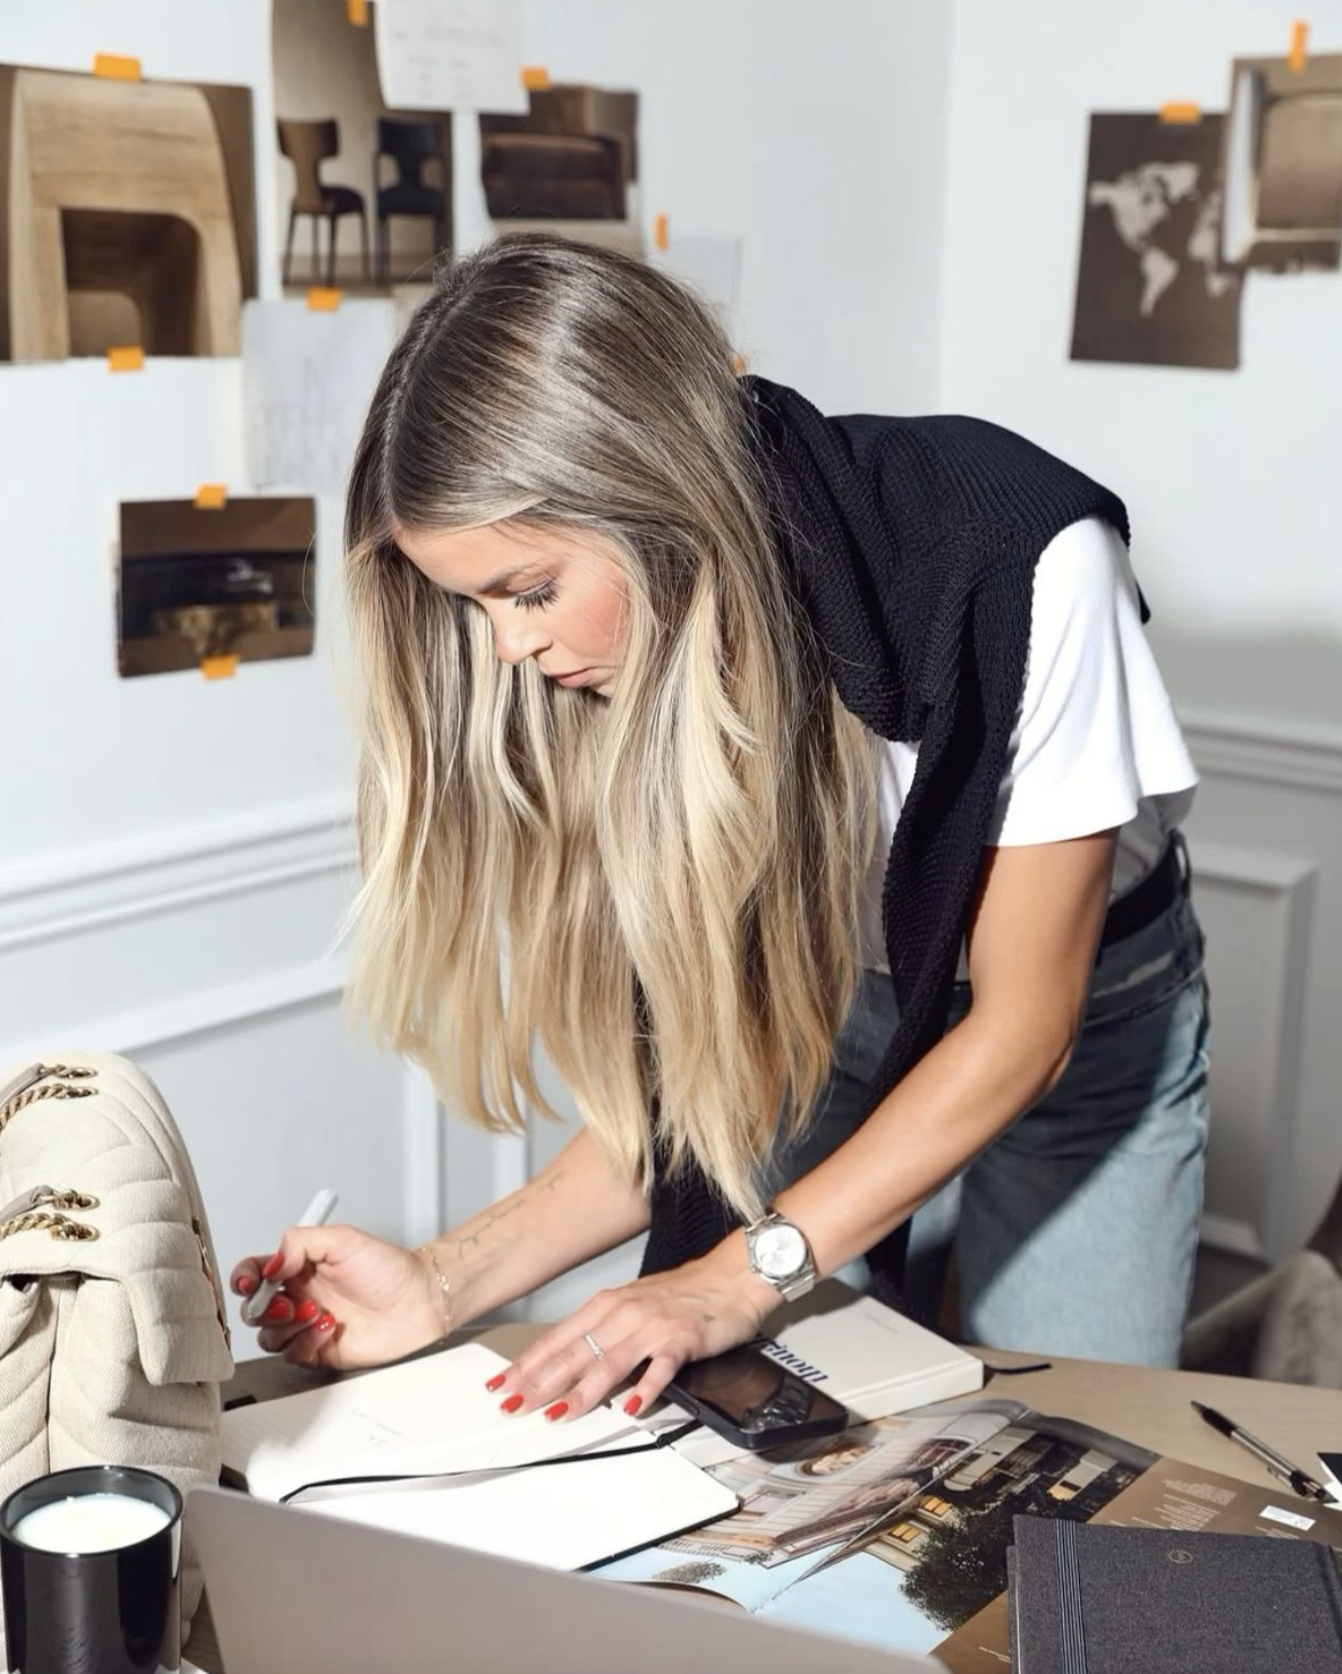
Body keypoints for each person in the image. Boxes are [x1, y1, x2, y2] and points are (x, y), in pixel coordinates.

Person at [230, 234, 1209, 1413]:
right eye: (473, 605)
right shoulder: (612, 667)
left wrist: (746, 1274)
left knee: (1066, 1434)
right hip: (837, 1000)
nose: (509, 650)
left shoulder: (1021, 557)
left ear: (657, 499)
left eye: (528, 590)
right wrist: (442, 1281)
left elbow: (1023, 1026)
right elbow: (688, 1102)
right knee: (807, 1446)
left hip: (1087, 1031)